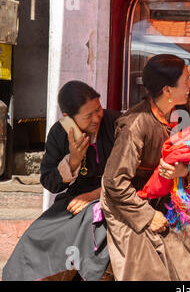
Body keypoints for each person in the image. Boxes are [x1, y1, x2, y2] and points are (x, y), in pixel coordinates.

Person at [101, 54, 190, 281]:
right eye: (185, 81)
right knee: (148, 265)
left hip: (172, 194)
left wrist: (184, 172)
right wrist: (147, 215)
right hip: (130, 201)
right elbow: (114, 182)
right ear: (167, 90)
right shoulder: (135, 124)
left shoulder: (189, 111)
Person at [2, 81, 120, 281]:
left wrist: (93, 195)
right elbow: (50, 182)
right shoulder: (59, 133)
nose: (96, 118)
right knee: (38, 234)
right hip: (75, 200)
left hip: (113, 197)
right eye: (88, 115)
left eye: (98, 109)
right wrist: (73, 161)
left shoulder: (116, 123)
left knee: (91, 223)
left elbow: (128, 175)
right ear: (68, 118)